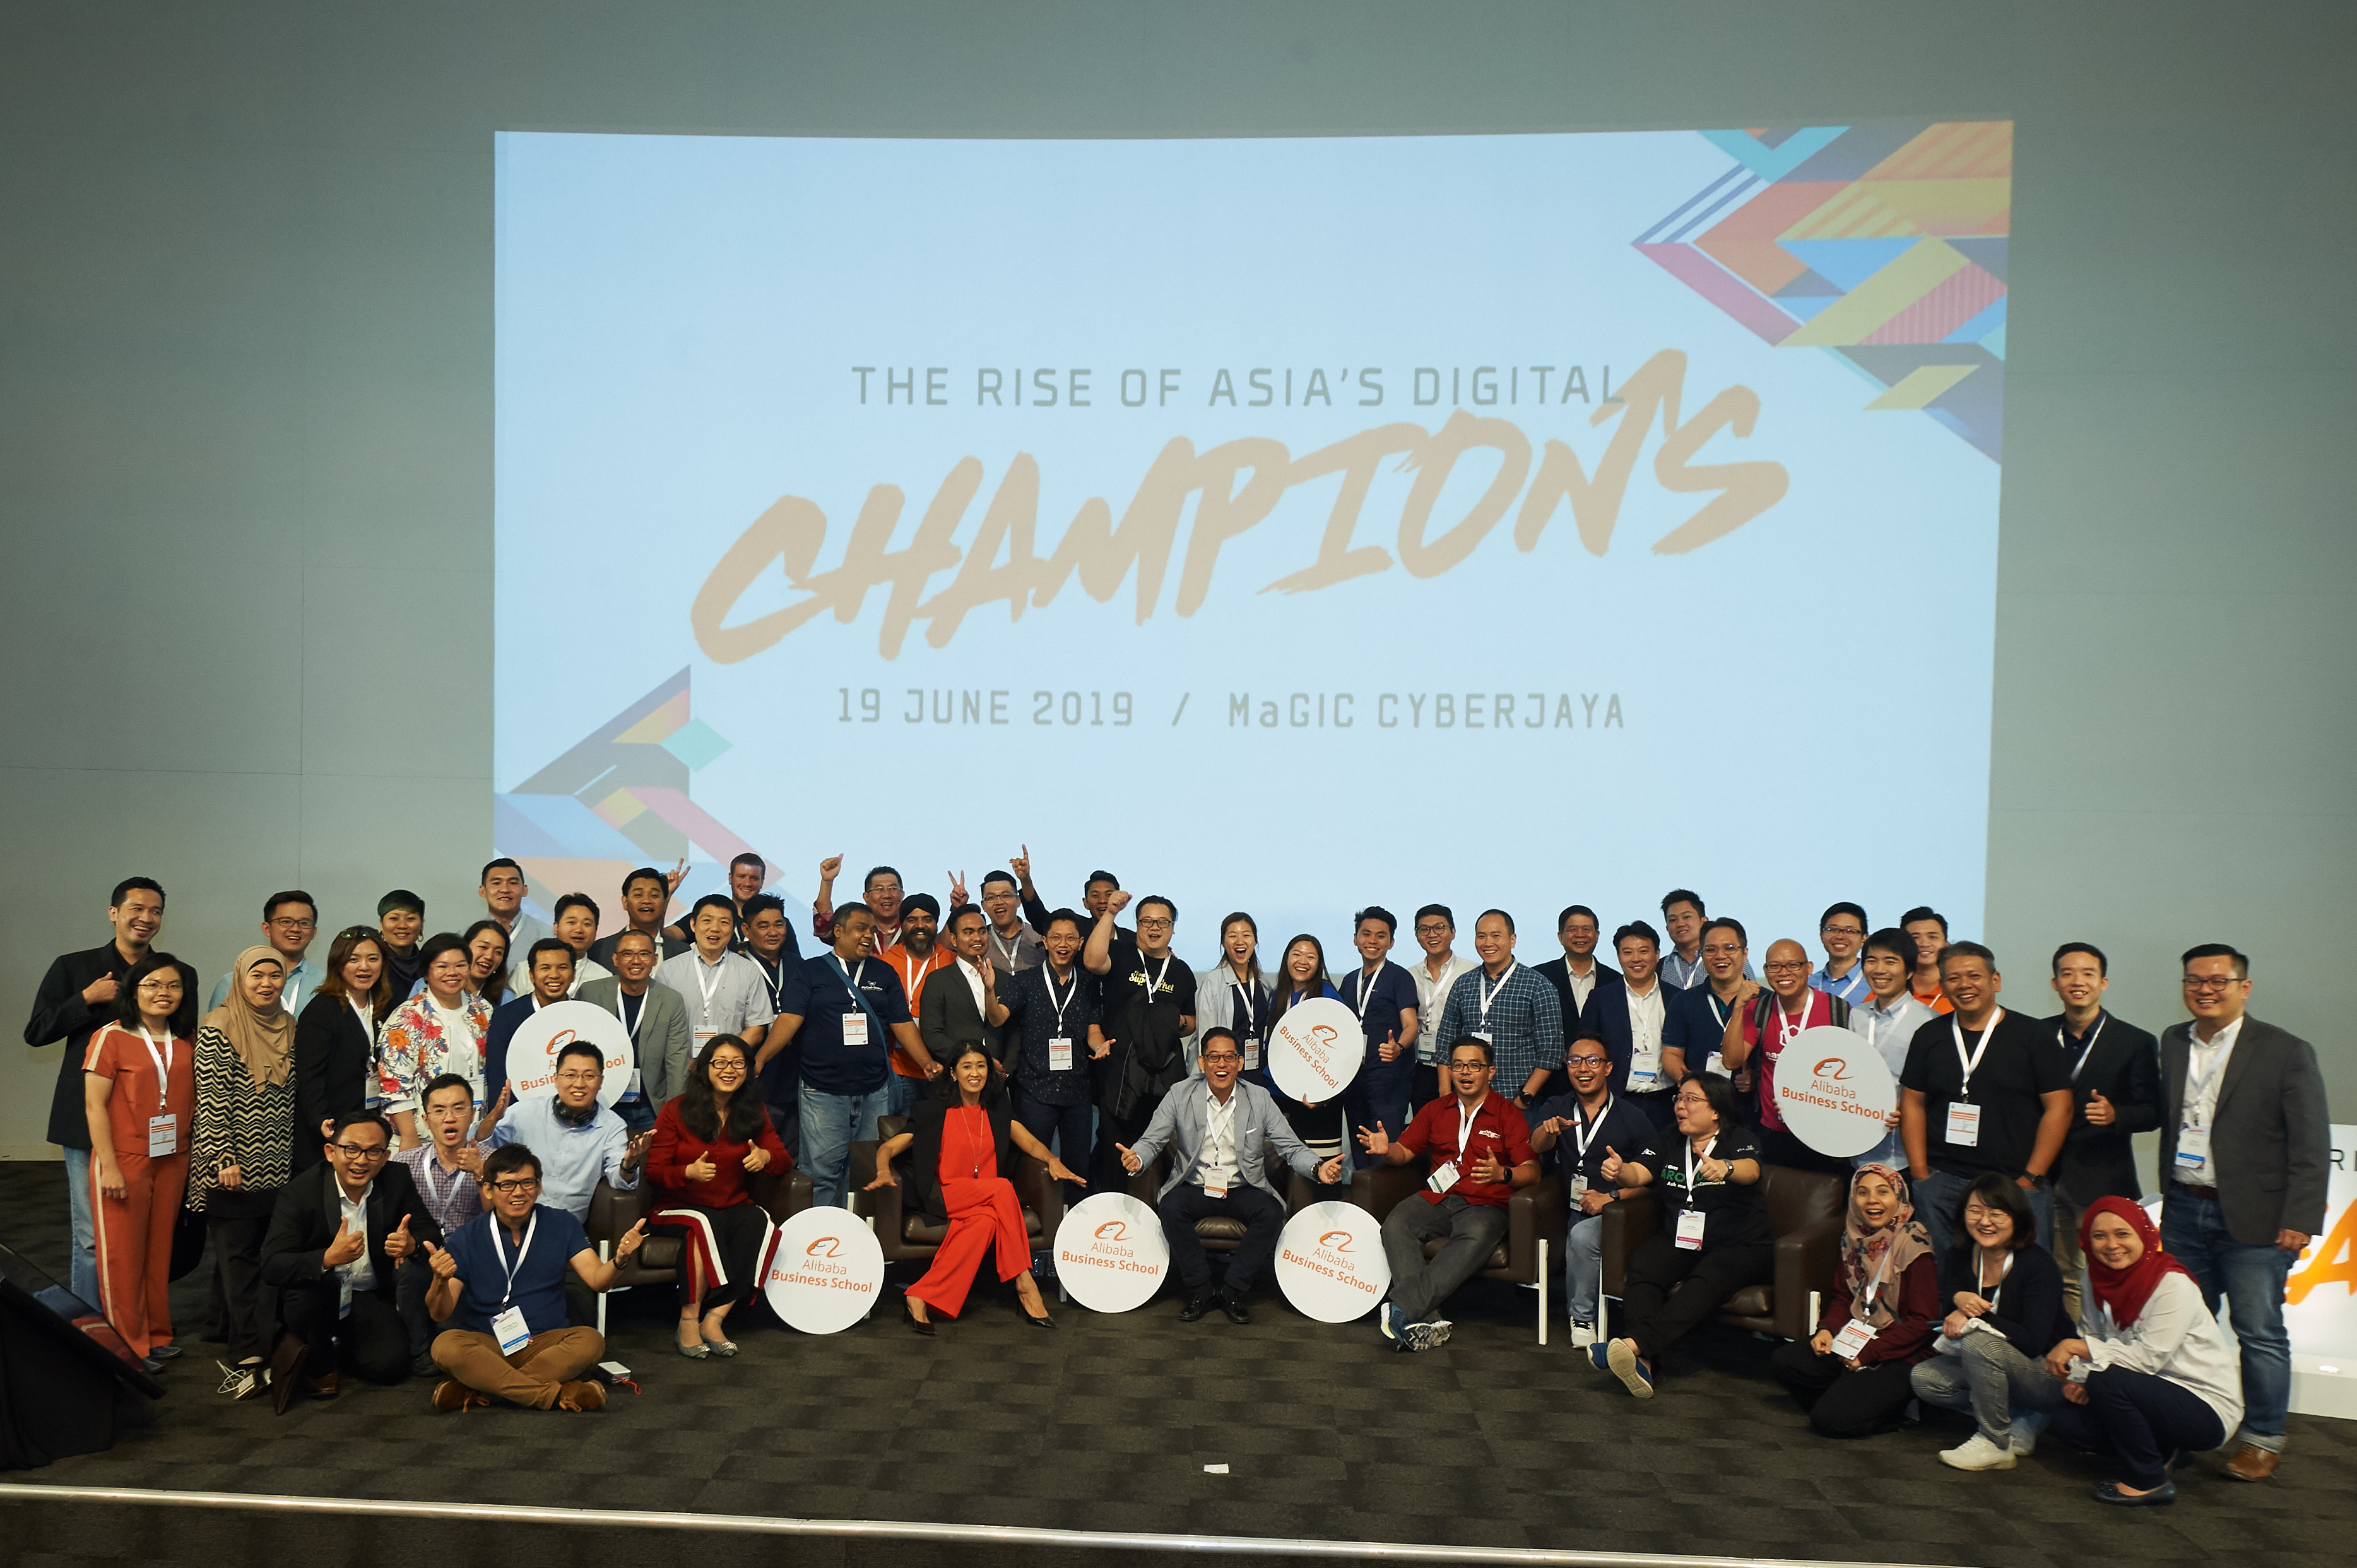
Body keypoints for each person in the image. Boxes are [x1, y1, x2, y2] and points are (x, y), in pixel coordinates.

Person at [2154, 943, 2328, 1484]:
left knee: (2258, 1332)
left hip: (2255, 1218)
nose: (2204, 989)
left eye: (2217, 981)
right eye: (2193, 980)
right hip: (2184, 1207)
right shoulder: (2172, 1041)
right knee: (2184, 1327)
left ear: (2243, 987)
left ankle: (2262, 1436)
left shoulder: (2284, 1050)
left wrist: (2298, 1219)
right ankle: (2184, 1430)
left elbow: (2309, 1143)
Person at [25, 876, 195, 1306]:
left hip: (152, 1129)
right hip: (89, 1119)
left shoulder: (177, 973)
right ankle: (91, 1332)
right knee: (92, 1234)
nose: (147, 918)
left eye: (155, 910)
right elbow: (38, 1031)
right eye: (137, 908)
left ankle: (134, 1322)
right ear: (114, 912)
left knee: (149, 1235)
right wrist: (86, 997)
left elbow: (185, 1041)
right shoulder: (74, 967)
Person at [1117, 1029, 1344, 1323]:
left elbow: (1289, 1146)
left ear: (1239, 1062)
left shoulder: (1259, 1098)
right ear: (1202, 1062)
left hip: (1242, 1186)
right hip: (1196, 1185)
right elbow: (1153, 1140)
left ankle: (1233, 1290)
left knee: (1272, 1212)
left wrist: (1317, 1167)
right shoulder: (1180, 1094)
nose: (1221, 1064)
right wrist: (1137, 1157)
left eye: (1228, 1057)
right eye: (1213, 1057)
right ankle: (1201, 1289)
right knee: (1171, 1207)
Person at [2043, 1198, 2244, 1506]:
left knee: (2106, 1380)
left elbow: (2147, 1359)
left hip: (2204, 1405)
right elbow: (2093, 1333)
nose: (2112, 1245)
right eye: (2099, 1236)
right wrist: (2080, 1379)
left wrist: (2078, 1351)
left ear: (2144, 1235)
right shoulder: (2093, 1277)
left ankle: (2148, 1480)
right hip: (2146, 1391)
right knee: (2066, 1424)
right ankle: (2166, 1451)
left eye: (2123, 1234)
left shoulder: (2172, 1284)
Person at [870, 1042, 1080, 1332]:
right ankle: (1023, 1281)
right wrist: (882, 1170)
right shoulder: (933, 1111)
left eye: (981, 1066)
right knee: (1004, 1189)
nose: (975, 1073)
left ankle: (920, 1295)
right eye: (967, 1067)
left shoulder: (997, 1111)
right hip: (946, 1194)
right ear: (954, 1073)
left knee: (985, 1223)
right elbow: (889, 1148)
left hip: (985, 1202)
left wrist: (1052, 1161)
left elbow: (1030, 1143)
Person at [420, 1143, 642, 1413]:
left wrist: (619, 1260)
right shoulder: (467, 1236)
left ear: (539, 1187)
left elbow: (599, 1280)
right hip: (487, 1343)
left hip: (545, 1343)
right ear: (488, 1189)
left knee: (591, 1340)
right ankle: (558, 1392)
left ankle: (480, 1385)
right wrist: (439, 1281)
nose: (519, 1192)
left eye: (528, 1183)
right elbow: (439, 1312)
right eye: (508, 1185)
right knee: (446, 1345)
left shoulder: (562, 1223)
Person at [1590, 1071, 1769, 1397]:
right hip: (1684, 1237)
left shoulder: (1740, 1138)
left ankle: (1634, 1344)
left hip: (1739, 1243)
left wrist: (1726, 1168)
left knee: (1709, 1274)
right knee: (1645, 1264)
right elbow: (1640, 1173)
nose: (1680, 1106)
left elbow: (1751, 1169)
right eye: (1679, 1098)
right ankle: (1642, 1361)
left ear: (1716, 1109)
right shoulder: (1670, 1138)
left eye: (1691, 1099)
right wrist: (1620, 1172)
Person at [1358, 1037, 1538, 1351]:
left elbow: (1532, 1171)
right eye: (1458, 1066)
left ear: (1490, 1072)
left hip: (1485, 1204)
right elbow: (1404, 1151)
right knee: (1397, 1224)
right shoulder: (1435, 1110)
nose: (1465, 1073)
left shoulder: (1507, 1114)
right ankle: (1425, 1319)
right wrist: (1387, 1150)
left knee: (1476, 1234)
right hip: (1438, 1198)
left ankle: (1402, 1307)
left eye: (1474, 1066)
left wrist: (1503, 1174)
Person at [1899, 942, 2072, 1256]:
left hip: (2015, 1185)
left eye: (1974, 976)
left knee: (2025, 1281)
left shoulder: (2034, 1036)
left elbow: (2059, 1108)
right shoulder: (1929, 1036)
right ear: (1943, 985)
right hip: (1942, 1182)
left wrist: (2031, 1178)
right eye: (1953, 978)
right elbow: (1912, 1103)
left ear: (1996, 981)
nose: (1964, 985)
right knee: (1942, 1280)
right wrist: (1921, 1175)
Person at [259, 1110, 441, 1401]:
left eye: (373, 1152)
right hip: (318, 1294)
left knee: (391, 1369)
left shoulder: (396, 1179)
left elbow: (431, 1233)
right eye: (351, 1149)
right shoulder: (300, 1192)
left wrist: (412, 1245)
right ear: (331, 1152)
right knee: (304, 1299)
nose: (361, 1160)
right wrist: (327, 1258)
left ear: (385, 1157)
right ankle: (318, 1357)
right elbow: (271, 1264)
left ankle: (337, 1347)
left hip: (368, 1294)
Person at [188, 947, 300, 1388]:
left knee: (252, 1253)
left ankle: (221, 1326)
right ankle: (247, 1345)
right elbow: (212, 1099)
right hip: (232, 1161)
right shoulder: (219, 1026)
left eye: (276, 975)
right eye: (258, 975)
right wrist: (223, 1157)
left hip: (277, 1161)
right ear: (240, 977)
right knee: (238, 1257)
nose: (268, 982)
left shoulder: (290, 1025)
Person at [81, 950, 198, 1367]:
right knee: (123, 1256)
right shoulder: (110, 1036)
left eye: (173, 985)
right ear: (133, 990)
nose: (163, 993)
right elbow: (94, 1106)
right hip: (125, 1158)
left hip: (172, 1157)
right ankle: (128, 1344)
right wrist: (108, 1164)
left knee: (158, 1250)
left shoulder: (184, 1039)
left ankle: (156, 1332)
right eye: (152, 984)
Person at [1910, 1174, 2072, 1471]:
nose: (1985, 1221)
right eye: (1976, 1211)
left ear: (2017, 1218)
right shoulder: (1960, 1254)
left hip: (2045, 1371)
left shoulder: (2037, 1264)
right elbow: (1947, 1300)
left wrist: (1977, 1314)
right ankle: (2018, 1416)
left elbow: (2033, 1342)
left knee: (1980, 1343)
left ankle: (1994, 1440)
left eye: (1997, 1213)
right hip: (1992, 1365)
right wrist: (1958, 1299)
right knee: (1925, 1378)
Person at [645, 1035, 791, 1357]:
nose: (730, 1070)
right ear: (704, 1069)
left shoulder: (754, 1111)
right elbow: (654, 1170)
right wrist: (687, 1173)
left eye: (738, 1063)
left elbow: (783, 1159)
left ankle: (715, 1318)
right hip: (677, 1207)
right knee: (704, 1222)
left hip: (730, 1204)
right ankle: (688, 1321)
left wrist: (766, 1157)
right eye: (720, 1063)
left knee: (760, 1221)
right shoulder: (676, 1110)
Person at [1769, 1165, 1938, 1436]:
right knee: (1787, 1360)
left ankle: (1897, 1413)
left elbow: (1923, 1323)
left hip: (1901, 1352)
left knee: (1830, 1422)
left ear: (1899, 1198)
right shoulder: (1853, 1239)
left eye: (1883, 1192)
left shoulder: (1914, 1243)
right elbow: (1843, 1298)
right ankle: (1850, 1396)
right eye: (1863, 1192)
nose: (1872, 1200)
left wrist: (1869, 1353)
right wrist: (1827, 1329)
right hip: (1858, 1338)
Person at [2045, 942, 2161, 1318]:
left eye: (2088, 973)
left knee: (2110, 1272)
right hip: (2044, 1176)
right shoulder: (2036, 1035)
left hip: (2101, 1176)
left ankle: (2113, 1356)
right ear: (2055, 983)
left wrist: (2117, 1116)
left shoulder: (2135, 1041)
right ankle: (2070, 1357)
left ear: (2103, 982)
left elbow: (2154, 1111)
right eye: (2068, 974)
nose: (2078, 981)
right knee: (2060, 1273)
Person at [796, 901, 928, 1207]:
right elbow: (791, 1019)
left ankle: (862, 1244)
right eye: (860, 929)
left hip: (874, 1090)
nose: (869, 936)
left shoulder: (883, 972)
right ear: (838, 931)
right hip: (822, 1090)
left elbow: (901, 1023)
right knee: (823, 1174)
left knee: (868, 1171)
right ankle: (823, 1244)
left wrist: (927, 1063)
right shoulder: (811, 970)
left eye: (871, 930)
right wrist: (761, 1058)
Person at [1526, 1036, 1655, 1347]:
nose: (1583, 1069)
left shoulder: (1632, 1116)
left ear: (1608, 1068)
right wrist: (1548, 1131)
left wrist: (1611, 1197)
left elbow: (1653, 1182)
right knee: (1572, 1230)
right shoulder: (1558, 1105)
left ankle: (1582, 1317)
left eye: (1593, 1061)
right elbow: (1536, 1146)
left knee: (1583, 1235)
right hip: (1572, 1204)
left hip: (1618, 1210)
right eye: (1574, 1061)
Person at [1084, 892, 1197, 1194]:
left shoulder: (1183, 972)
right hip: (1119, 1074)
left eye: (1163, 921)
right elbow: (1093, 961)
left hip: (1163, 1074)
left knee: (1158, 1150)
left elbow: (1192, 1020)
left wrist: (1177, 1024)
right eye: (1147, 921)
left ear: (1173, 928)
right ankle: (1110, 1217)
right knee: (1114, 1149)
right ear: (1136, 925)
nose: (1154, 927)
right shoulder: (1121, 953)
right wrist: (1109, 913)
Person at [1718, 938, 1854, 1174]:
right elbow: (1731, 1061)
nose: (1784, 973)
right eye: (1775, 966)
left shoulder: (1838, 1010)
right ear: (1765, 971)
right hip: (1772, 1130)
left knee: (1822, 1202)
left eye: (1793, 965)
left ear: (1809, 968)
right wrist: (1739, 1006)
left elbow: (1853, 1072)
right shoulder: (1758, 1008)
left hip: (1823, 1130)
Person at [486, 1041, 647, 1228]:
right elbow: (484, 1147)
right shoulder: (525, 1112)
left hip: (567, 1228)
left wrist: (628, 1164)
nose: (579, 1084)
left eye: (589, 1076)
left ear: (600, 1082)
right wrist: (493, 1118)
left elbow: (620, 1181)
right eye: (570, 1075)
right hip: (517, 1220)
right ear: (555, 1079)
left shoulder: (612, 1126)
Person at [998, 908, 1099, 1204]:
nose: (1063, 944)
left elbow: (1094, 1031)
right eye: (1055, 937)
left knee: (1078, 1169)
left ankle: (1075, 1239)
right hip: (1034, 1089)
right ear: (1044, 941)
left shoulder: (1089, 983)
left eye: (1070, 938)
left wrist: (1100, 1047)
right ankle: (1034, 1241)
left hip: (1077, 1090)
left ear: (1081, 943)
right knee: (1033, 1168)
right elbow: (998, 1018)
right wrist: (991, 992)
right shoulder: (1025, 981)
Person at [393, 1073, 490, 1374]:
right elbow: (392, 1213)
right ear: (425, 1119)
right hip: (424, 1254)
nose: (450, 1118)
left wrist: (480, 1173)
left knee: (452, 1326)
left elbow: (502, 1217)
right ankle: (421, 1353)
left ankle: (450, 1346)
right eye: (439, 1111)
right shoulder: (405, 1163)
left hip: (474, 1256)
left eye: (459, 1108)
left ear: (473, 1113)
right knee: (409, 1274)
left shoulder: (493, 1160)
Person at [1431, 911, 1562, 1115]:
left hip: (1515, 1102)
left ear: (1512, 940)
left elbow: (1551, 1052)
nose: (1487, 942)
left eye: (1496, 935)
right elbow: (1446, 1041)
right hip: (1466, 1102)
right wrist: (1445, 1093)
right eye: (1481, 936)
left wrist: (1525, 1098)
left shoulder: (1539, 986)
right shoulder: (1463, 984)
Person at [377, 933, 493, 1150]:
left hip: (471, 1131)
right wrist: (409, 1137)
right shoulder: (408, 1017)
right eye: (442, 966)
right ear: (427, 972)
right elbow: (395, 1083)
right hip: (420, 1136)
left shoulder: (483, 1010)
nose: (452, 973)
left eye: (461, 965)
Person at [293, 926, 391, 1172]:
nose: (364, 967)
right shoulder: (322, 1010)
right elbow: (309, 1075)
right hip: (331, 1131)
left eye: (373, 959)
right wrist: (321, 1120)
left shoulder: (384, 1007)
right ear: (338, 964)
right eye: (353, 959)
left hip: (370, 1126)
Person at [579, 930, 692, 1134]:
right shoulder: (591, 993)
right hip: (602, 1101)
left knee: (649, 1163)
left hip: (651, 1104)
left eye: (644, 954)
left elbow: (677, 1061)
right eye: (628, 954)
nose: (636, 961)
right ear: (615, 959)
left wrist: (673, 1113)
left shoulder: (671, 1000)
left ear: (655, 959)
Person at [1845, 928, 1939, 1170]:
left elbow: (1936, 1089)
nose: (1879, 970)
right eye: (1871, 961)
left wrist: (1906, 1107)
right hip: (1856, 1145)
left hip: (1904, 1154)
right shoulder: (1858, 1015)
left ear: (1909, 970)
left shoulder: (1929, 1022)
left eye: (1890, 961)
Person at [1337, 908, 1421, 1169]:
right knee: (1360, 1146)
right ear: (1355, 938)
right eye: (1367, 934)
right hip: (1353, 1077)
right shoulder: (1350, 981)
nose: (1373, 941)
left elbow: (1411, 1026)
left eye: (1381, 936)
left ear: (1391, 943)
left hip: (1388, 1080)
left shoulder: (1400, 977)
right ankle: (1363, 1204)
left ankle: (1384, 1208)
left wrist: (1399, 1048)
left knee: (1384, 1150)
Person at [657, 893, 776, 1070]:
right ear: (693, 925)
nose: (715, 929)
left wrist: (724, 1061)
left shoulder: (748, 971)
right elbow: (660, 1028)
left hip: (730, 1071)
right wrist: (686, 1063)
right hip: (680, 1070)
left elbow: (756, 1029)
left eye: (724, 922)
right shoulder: (669, 970)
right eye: (707, 921)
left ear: (733, 928)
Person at [1578, 921, 1676, 1130]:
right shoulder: (1601, 998)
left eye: (1644, 951)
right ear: (1619, 956)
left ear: (1657, 954)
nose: (1636, 959)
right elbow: (1585, 1049)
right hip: (1618, 1100)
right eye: (1628, 952)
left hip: (1669, 1101)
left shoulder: (1677, 998)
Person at [1265, 933, 1345, 1159]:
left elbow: (1343, 1052)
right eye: (1297, 955)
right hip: (1278, 1096)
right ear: (1286, 959)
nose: (1302, 961)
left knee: (1320, 1170)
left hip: (1315, 1101)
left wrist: (1324, 1095)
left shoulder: (1329, 998)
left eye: (1310, 957)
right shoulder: (1276, 996)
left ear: (1319, 964)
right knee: (1280, 1166)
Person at [740, 895, 809, 1153]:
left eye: (779, 925)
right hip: (754, 1077)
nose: (773, 932)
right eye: (763, 926)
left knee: (790, 1156)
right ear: (746, 930)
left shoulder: (800, 966)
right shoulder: (737, 965)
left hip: (796, 1078)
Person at [878, 893, 957, 1116]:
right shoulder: (885, 963)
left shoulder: (951, 961)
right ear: (901, 924)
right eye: (912, 919)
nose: (920, 926)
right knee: (901, 1134)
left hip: (945, 1069)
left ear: (937, 924)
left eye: (928, 919)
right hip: (899, 1069)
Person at [1532, 905, 1618, 1100]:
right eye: (1572, 930)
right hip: (1550, 1085)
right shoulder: (1538, 978)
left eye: (1587, 929)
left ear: (1597, 935)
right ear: (1560, 936)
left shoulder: (1615, 980)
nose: (1580, 935)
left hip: (1603, 1086)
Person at [483, 938, 579, 1103]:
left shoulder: (586, 1015)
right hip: (521, 1117)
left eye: (562, 968)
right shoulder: (506, 1017)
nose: (554, 975)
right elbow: (498, 1080)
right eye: (545, 968)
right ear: (532, 975)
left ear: (573, 974)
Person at [920, 904, 1012, 1071]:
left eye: (982, 931)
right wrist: (971, 1060)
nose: (977, 938)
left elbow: (1015, 1032)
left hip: (999, 1077)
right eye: (968, 932)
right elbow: (932, 1035)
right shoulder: (938, 980)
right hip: (955, 1076)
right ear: (954, 940)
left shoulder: (1005, 979)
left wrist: (1006, 1071)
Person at [1661, 917, 1748, 1086]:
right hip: (1700, 1104)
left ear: (1744, 954)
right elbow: (1672, 1054)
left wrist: (1756, 1078)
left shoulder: (1764, 1001)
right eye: (1711, 950)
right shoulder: (1683, 1001)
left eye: (1729, 948)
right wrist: (1685, 1080)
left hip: (1750, 1105)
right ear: (1701, 955)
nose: (1720, 956)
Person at [204, 892, 323, 1014]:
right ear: (267, 929)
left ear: (314, 932)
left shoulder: (326, 983)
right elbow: (216, 1029)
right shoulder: (234, 982)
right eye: (286, 922)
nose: (295, 929)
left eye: (305, 923)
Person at [1407, 905, 1476, 1109]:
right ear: (1417, 935)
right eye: (1424, 929)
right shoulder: (1409, 976)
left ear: (1453, 932)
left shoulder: (1471, 971)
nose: (1432, 934)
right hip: (1421, 1066)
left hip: (1461, 1067)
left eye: (1439, 928)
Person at [1192, 912, 1271, 1078]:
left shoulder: (1262, 982)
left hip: (1257, 1070)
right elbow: (1206, 1039)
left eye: (1247, 935)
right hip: (1224, 1072)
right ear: (1223, 942)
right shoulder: (1212, 982)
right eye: (1233, 936)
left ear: (1255, 941)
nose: (1240, 941)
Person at [587, 865, 694, 969]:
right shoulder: (599, 950)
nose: (646, 901)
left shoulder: (682, 951)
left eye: (654, 895)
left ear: (665, 903)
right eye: (638, 895)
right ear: (625, 902)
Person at [476, 858, 554, 970]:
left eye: (513, 883)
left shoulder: (548, 936)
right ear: (482, 891)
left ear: (524, 890)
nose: (505, 889)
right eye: (497, 883)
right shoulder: (467, 938)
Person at [812, 859, 907, 949]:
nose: (887, 895)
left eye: (893, 889)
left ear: (902, 895)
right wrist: (827, 881)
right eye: (879, 889)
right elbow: (824, 929)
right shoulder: (854, 928)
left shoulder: (912, 927)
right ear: (866, 897)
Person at [978, 870, 1045, 974]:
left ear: (1019, 900)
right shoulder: (979, 941)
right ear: (984, 906)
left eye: (1006, 896)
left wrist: (1025, 879)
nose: (999, 902)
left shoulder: (1038, 936)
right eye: (991, 898)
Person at [546, 893, 613, 994]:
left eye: (587, 924)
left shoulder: (604, 977)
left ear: (596, 931)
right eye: (572, 922)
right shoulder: (526, 970)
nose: (579, 930)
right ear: (556, 928)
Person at [1811, 902, 1872, 1006]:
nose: (1840, 936)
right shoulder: (1808, 984)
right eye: (1832, 930)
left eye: (1849, 931)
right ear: (1821, 935)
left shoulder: (1873, 983)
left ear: (1864, 939)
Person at [1901, 907, 1954, 1014]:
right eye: (1915, 938)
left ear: (1946, 944)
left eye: (1933, 937)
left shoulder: (1956, 990)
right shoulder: (1889, 991)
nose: (1924, 944)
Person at [378, 891, 426, 999]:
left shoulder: (430, 965)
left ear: (422, 924)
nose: (402, 926)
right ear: (381, 924)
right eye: (394, 919)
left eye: (410, 919)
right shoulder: (374, 965)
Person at [461, 919, 512, 1008]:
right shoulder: (435, 988)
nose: (489, 956)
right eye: (483, 947)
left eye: (498, 952)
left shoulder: (506, 999)